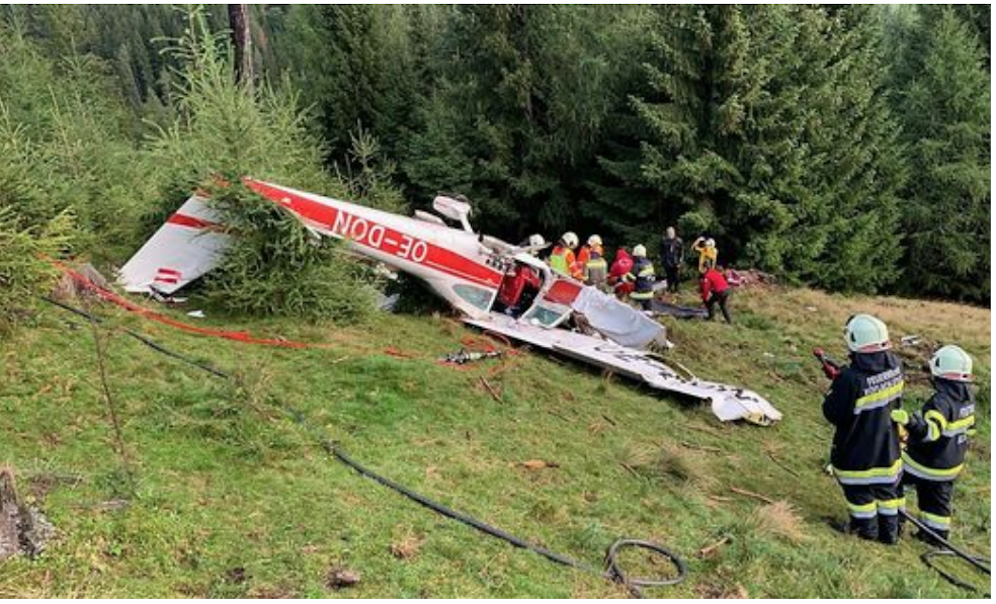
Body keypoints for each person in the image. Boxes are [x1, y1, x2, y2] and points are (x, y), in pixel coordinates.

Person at [822, 314, 904, 545]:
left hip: (856, 449)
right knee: (886, 490)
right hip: (888, 446)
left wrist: (837, 384)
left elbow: (833, 413)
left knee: (859, 493)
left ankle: (866, 530)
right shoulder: (897, 365)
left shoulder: (850, 379)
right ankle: (891, 532)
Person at [891, 345, 975, 543]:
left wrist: (909, 422)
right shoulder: (968, 398)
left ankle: (894, 522)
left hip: (924, 464)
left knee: (892, 477)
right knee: (937, 502)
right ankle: (935, 537)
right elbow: (970, 429)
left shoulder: (940, 402)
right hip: (950, 467)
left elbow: (930, 433)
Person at [624, 244, 655, 311]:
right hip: (649, 293)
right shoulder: (649, 263)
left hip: (639, 294)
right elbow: (653, 277)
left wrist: (623, 276)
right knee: (648, 311)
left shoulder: (637, 265)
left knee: (630, 310)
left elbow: (630, 279)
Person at [660, 227, 683, 293]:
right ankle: (669, 287)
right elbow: (661, 251)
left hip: (675, 261)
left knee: (676, 276)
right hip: (667, 261)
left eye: (671, 233)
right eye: (669, 233)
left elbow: (681, 252)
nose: (670, 234)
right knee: (668, 276)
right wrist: (663, 260)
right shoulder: (664, 241)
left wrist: (680, 262)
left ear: (674, 233)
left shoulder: (679, 241)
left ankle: (676, 288)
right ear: (667, 233)